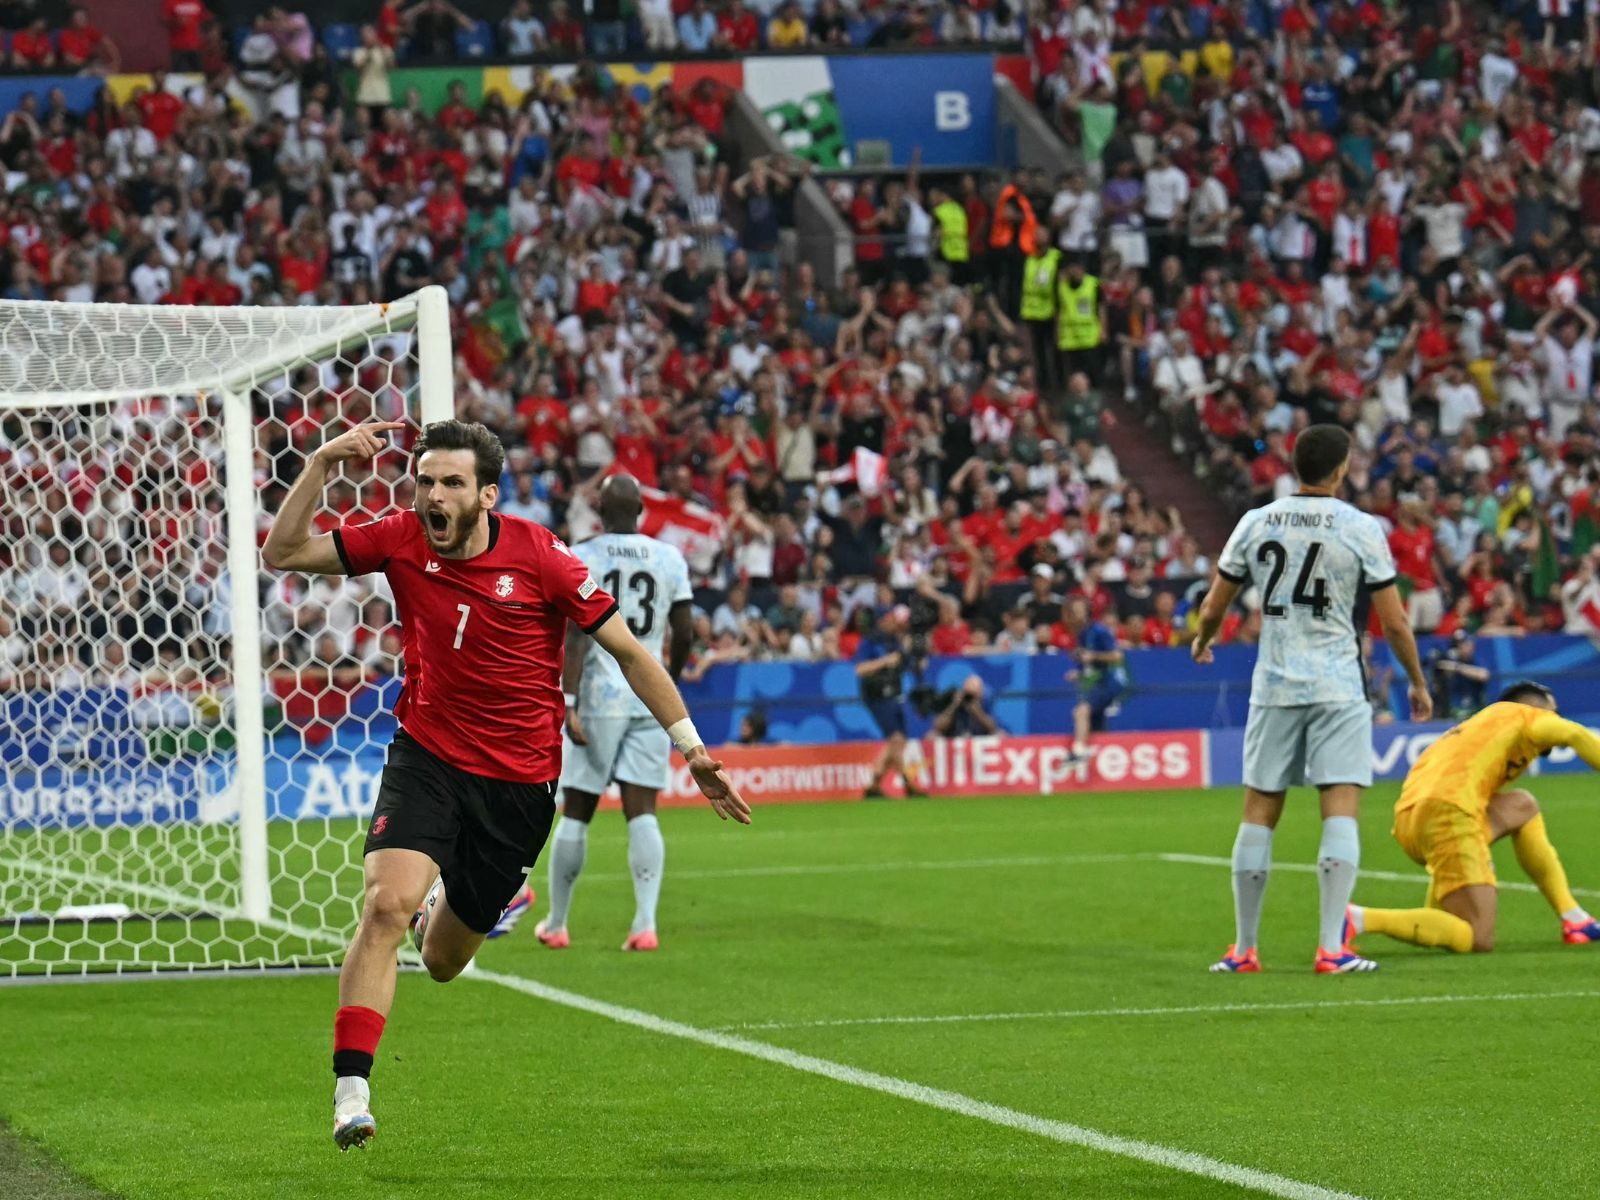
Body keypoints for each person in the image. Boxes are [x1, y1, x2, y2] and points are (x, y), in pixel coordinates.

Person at [260, 420, 749, 1153]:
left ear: (486, 494)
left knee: (442, 962)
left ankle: (452, 903)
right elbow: (284, 551)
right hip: (427, 756)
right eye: (426, 481)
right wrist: (323, 461)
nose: (434, 496)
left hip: (518, 784)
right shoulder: (401, 537)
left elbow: (629, 652)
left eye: (452, 483)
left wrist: (693, 747)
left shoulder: (542, 557)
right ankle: (351, 1090)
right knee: (384, 905)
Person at [1192, 424, 1430, 976]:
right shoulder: (1360, 527)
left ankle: (1243, 950)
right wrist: (1417, 681)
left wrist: (1203, 641)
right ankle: (1330, 948)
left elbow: (1213, 606)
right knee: (1339, 805)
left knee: (1259, 808)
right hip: (1337, 685)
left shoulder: (1257, 522)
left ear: (1295, 466)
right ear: (1341, 469)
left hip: (1274, 684)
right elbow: (1394, 622)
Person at [534, 474, 695, 953]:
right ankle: (645, 925)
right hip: (648, 695)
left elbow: (576, 634)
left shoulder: (583, 555)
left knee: (578, 811)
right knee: (642, 810)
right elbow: (685, 630)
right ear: (642, 510)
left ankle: (557, 924)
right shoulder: (669, 557)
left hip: (598, 698)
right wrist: (669, 681)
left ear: (600, 510)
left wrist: (569, 701)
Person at [1348, 682, 1600, 954]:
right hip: (1448, 814)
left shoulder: (1480, 727)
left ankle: (1574, 918)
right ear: (1536, 708)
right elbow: (1575, 733)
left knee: (1522, 806)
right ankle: (1357, 919)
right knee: (1477, 935)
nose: (1557, 719)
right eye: (1554, 713)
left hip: (1414, 817)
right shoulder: (1524, 715)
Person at [854, 605, 924, 798]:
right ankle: (908, 783)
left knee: (898, 741)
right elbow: (860, 669)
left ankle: (874, 784)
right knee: (895, 739)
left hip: (894, 693)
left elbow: (905, 663)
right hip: (876, 695)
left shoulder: (894, 640)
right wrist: (885, 661)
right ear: (882, 620)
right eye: (891, 618)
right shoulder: (870, 641)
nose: (895, 623)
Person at [1059, 595, 1125, 759]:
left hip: (1109, 681)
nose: (1075, 614)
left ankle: (1078, 750)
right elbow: (1089, 664)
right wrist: (1079, 674)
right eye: (1073, 611)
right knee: (1096, 723)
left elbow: (1117, 656)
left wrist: (1093, 656)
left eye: (1078, 610)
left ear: (1086, 612)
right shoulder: (1081, 635)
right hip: (1097, 681)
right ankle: (1104, 758)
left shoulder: (1099, 630)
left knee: (1081, 711)